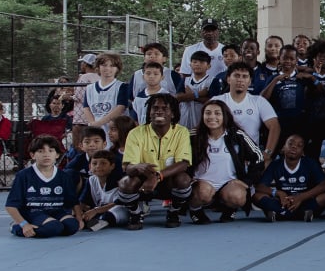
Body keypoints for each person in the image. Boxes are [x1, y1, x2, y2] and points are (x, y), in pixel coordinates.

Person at [114, 94, 193, 230]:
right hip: (143, 182)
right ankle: (135, 213)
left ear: (173, 114)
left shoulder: (181, 132)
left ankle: (174, 211)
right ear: (149, 112)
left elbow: (183, 163)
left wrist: (157, 176)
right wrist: (138, 167)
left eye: (164, 108)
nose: (159, 111)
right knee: (125, 183)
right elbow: (127, 167)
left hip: (167, 180)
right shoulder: (136, 133)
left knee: (184, 180)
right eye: (155, 107)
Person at [188, 99, 265, 224]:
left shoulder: (237, 135)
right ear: (202, 116)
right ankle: (195, 210)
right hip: (202, 183)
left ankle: (229, 209)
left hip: (229, 183)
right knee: (203, 193)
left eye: (217, 113)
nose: (212, 117)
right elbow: (181, 158)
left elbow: (258, 157)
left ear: (225, 116)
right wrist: (188, 177)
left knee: (238, 197)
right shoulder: (193, 136)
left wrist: (247, 181)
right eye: (208, 113)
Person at [5, 136, 79, 238]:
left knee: (72, 226)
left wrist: (79, 219)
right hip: (33, 212)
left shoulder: (64, 176)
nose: (46, 154)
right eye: (41, 151)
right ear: (32, 155)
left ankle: (49, 226)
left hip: (56, 211)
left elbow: (73, 202)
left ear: (57, 154)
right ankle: (17, 228)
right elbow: (10, 206)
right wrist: (24, 224)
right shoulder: (24, 175)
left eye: (51, 151)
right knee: (54, 227)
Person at [253, 134, 325, 222]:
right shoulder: (275, 164)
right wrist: (278, 193)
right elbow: (260, 186)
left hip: (303, 201)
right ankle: (302, 214)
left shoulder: (310, 163)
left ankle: (279, 214)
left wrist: (301, 197)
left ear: (303, 152)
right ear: (283, 148)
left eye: (299, 146)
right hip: (283, 202)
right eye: (290, 144)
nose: (294, 147)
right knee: (256, 196)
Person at [213, 62, 280, 163]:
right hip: (222, 157)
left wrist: (267, 153)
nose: (240, 79)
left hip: (250, 157)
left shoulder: (259, 101)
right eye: (236, 75)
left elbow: (275, 126)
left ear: (249, 81)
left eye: (245, 76)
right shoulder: (217, 101)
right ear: (228, 79)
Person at [81, 52, 132, 133]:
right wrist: (92, 123)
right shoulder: (90, 88)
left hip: (116, 130)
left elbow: (120, 108)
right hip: (96, 130)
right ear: (98, 67)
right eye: (104, 65)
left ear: (117, 69)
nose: (108, 68)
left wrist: (99, 123)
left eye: (112, 66)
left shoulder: (122, 86)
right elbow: (86, 108)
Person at [77, 150, 127, 232]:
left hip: (117, 210)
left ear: (112, 166)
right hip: (98, 211)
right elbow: (83, 201)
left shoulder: (120, 181)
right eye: (94, 163)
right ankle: (91, 222)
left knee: (112, 213)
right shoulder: (91, 179)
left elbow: (119, 202)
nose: (98, 166)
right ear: (89, 166)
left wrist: (95, 211)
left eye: (103, 163)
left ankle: (98, 222)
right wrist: (80, 213)